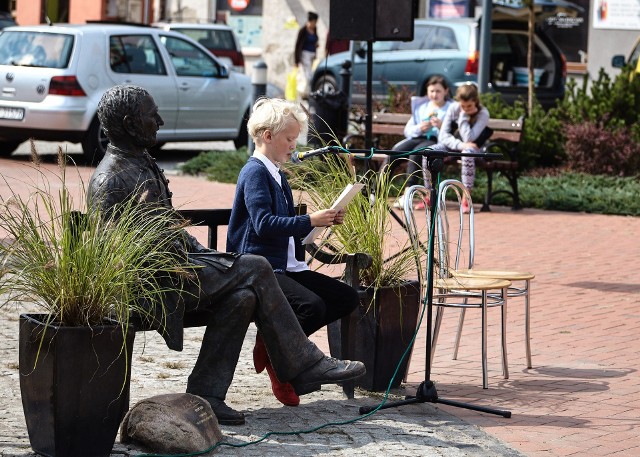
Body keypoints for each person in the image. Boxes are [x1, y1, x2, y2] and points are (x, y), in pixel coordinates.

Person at [87, 85, 365, 426]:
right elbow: (136, 253)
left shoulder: (139, 164)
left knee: (244, 295)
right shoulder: (112, 178)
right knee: (256, 267)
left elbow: (165, 228)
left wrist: (203, 254)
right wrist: (203, 261)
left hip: (177, 269)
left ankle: (208, 394)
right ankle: (301, 363)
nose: (159, 120)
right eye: (151, 114)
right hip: (152, 285)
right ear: (130, 124)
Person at [227, 98, 360, 407]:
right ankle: (281, 362)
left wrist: (319, 223)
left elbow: (286, 227)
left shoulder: (277, 173)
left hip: (287, 265)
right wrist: (308, 220)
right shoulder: (256, 172)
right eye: (289, 139)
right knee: (311, 306)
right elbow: (262, 225)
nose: (293, 146)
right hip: (258, 268)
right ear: (266, 135)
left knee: (345, 297)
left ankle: (273, 345)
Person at [423, 83, 491, 213]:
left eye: (469, 106)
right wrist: (460, 145)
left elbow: (469, 138)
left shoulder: (483, 113)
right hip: (453, 146)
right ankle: (429, 196)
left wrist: (463, 117)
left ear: (476, 101)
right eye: (462, 106)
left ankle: (466, 198)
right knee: (430, 152)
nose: (465, 108)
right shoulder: (454, 108)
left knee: (467, 153)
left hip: (474, 148)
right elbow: (443, 135)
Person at [391, 75, 451, 210]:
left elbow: (455, 132)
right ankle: (374, 191)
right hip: (418, 137)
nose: (434, 95)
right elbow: (408, 130)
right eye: (431, 91)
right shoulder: (422, 106)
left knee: (416, 154)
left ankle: (407, 194)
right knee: (393, 152)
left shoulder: (451, 108)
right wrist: (420, 127)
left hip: (436, 140)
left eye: (438, 91)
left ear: (446, 91)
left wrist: (442, 126)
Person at [294, 11, 319, 96]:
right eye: (314, 22)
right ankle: (307, 93)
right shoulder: (303, 30)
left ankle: (306, 92)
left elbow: (315, 40)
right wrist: (296, 60)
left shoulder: (315, 30)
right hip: (304, 54)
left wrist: (316, 46)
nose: (315, 24)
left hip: (312, 55)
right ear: (311, 21)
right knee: (307, 74)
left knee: (309, 73)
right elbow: (297, 45)